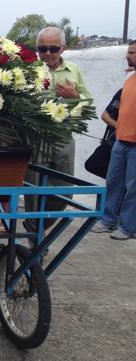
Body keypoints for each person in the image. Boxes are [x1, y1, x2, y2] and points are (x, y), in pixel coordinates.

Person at [23, 26, 94, 234]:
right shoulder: (28, 70)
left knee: (64, 194)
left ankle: (36, 227)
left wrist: (74, 100)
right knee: (33, 196)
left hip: (63, 137)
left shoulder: (73, 70)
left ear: (62, 48)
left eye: (52, 49)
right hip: (35, 138)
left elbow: (88, 103)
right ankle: (34, 245)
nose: (47, 54)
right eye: (42, 48)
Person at [91, 41, 136, 240]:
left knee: (132, 188)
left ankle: (127, 227)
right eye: (128, 53)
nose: (128, 56)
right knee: (113, 182)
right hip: (121, 141)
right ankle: (108, 219)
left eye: (133, 53)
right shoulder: (129, 78)